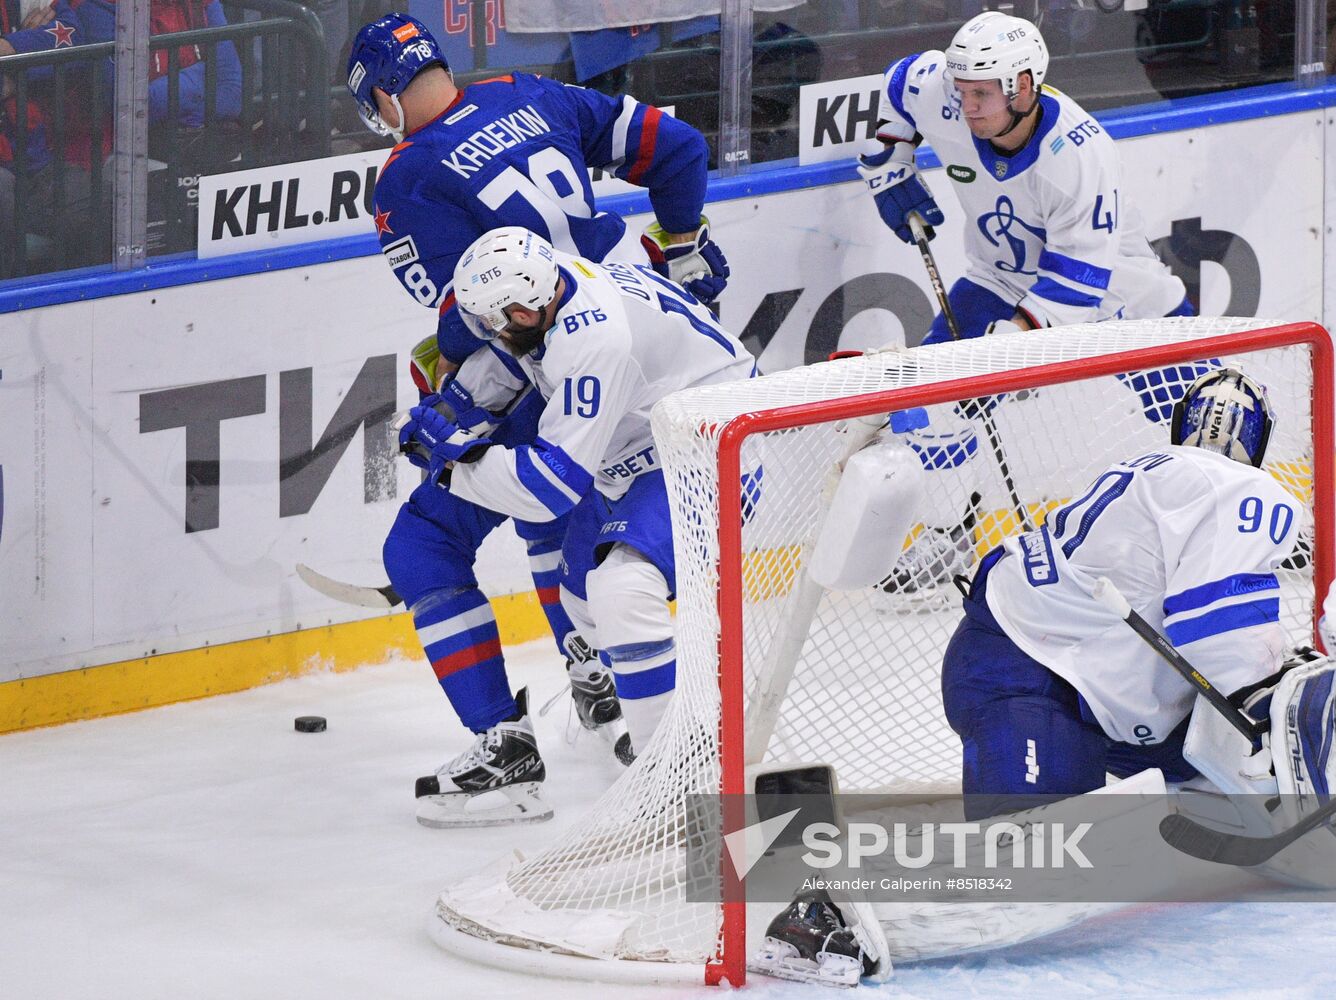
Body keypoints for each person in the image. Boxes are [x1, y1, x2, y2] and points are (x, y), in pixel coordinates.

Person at [753, 368, 1335, 985]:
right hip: (1030, 677)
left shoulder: (1150, 471)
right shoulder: (1246, 489)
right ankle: (820, 910)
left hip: (1062, 670)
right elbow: (1219, 637)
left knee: (1229, 797)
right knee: (1036, 866)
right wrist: (1263, 706)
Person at [345, 13, 730, 825]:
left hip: (536, 357)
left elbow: (466, 324)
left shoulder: (407, 176)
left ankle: (509, 748)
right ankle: (598, 684)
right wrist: (686, 245)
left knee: (428, 542)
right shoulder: (530, 93)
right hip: (621, 329)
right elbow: (681, 147)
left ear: (383, 96)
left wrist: (445, 408)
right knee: (566, 523)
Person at [397, 226, 753, 827]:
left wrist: (458, 466)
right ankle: (660, 729)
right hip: (647, 449)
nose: (490, 335)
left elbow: (549, 489)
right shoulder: (546, 278)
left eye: (495, 322)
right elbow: (515, 359)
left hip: (716, 444)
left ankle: (676, 778)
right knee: (582, 604)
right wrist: (454, 408)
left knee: (622, 589)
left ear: (523, 307)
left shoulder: (595, 342)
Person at [857, 10, 1201, 594]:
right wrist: (889, 168)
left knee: (1205, 410)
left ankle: (1236, 526)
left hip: (1121, 292)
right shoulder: (939, 87)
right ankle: (948, 533)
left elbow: (1078, 283)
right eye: (962, 90)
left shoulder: (1079, 153)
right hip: (999, 277)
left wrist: (1013, 344)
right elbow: (896, 89)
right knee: (933, 403)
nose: (967, 105)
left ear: (1023, 86)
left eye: (982, 93)